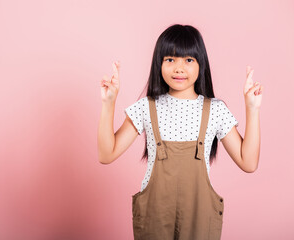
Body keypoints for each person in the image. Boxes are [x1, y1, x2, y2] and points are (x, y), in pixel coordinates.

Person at [97, 24, 263, 240]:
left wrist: (252, 108)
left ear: (200, 64)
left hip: (199, 218)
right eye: (170, 59)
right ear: (159, 63)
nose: (179, 68)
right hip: (154, 218)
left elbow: (248, 162)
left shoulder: (215, 110)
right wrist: (108, 102)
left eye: (188, 60)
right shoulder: (147, 107)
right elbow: (106, 154)